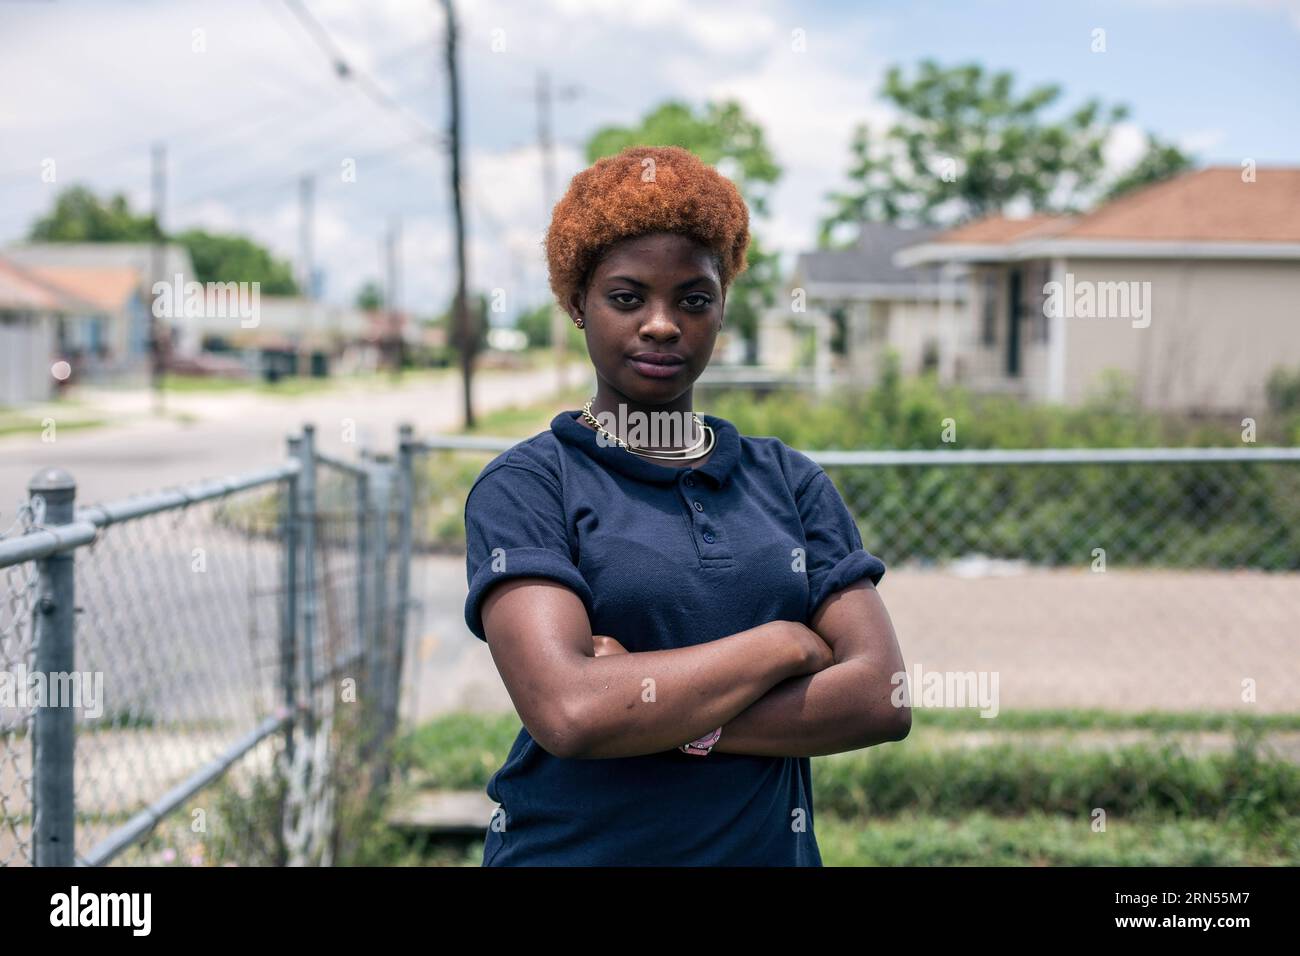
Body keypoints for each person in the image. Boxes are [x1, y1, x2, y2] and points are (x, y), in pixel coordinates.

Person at [463, 144, 910, 866]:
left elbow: (879, 699)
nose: (663, 324)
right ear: (578, 303)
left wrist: (655, 705)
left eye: (693, 299)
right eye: (628, 296)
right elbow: (571, 713)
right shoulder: (530, 487)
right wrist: (785, 646)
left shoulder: (787, 481)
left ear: (722, 308)